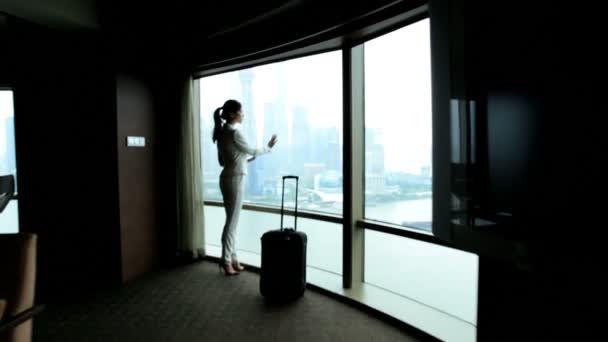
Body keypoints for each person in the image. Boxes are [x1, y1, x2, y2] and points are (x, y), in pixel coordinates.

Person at [212, 99, 278, 276]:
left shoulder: (222, 133)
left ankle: (232, 258)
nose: (243, 114)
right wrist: (268, 147)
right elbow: (253, 150)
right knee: (232, 224)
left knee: (230, 222)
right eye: (241, 111)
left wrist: (244, 160)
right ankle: (226, 261)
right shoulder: (235, 132)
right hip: (236, 179)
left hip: (226, 177)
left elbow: (222, 161)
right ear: (233, 113)